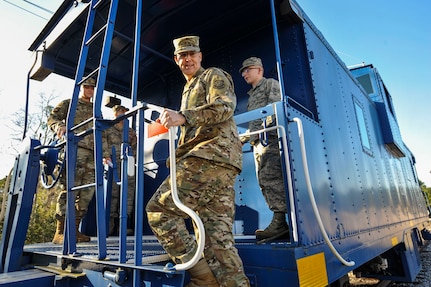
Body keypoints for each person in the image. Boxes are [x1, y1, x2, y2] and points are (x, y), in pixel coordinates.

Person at [146, 36, 250, 287]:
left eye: (192, 53)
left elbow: (224, 108)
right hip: (215, 161)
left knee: (159, 211)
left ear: (200, 56)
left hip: (210, 157)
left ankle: (203, 279)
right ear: (176, 60)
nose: (187, 59)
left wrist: (183, 116)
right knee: (218, 242)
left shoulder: (212, 76)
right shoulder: (188, 88)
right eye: (182, 56)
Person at [48, 78, 109, 244]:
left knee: (87, 193)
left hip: (92, 155)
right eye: (87, 87)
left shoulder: (96, 110)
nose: (89, 90)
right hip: (75, 150)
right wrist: (59, 126)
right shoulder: (69, 103)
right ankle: (60, 232)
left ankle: (74, 229)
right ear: (81, 88)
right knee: (69, 189)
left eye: (92, 88)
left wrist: (105, 153)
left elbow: (101, 133)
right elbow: (52, 118)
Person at [239, 57, 289, 241]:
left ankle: (280, 222)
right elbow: (254, 124)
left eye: (248, 69)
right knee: (265, 181)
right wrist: (244, 138)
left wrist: (262, 131)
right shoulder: (252, 95)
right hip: (259, 143)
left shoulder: (270, 84)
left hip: (271, 141)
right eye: (243, 71)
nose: (244, 73)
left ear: (259, 70)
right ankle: (279, 221)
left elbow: (274, 109)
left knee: (272, 179)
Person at [106, 105, 137, 236]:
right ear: (115, 115)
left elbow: (135, 147)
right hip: (112, 166)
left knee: (128, 196)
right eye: (120, 114)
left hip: (127, 166)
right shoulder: (107, 129)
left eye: (124, 114)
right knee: (112, 196)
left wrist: (132, 159)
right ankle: (110, 227)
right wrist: (105, 157)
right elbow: (103, 145)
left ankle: (122, 227)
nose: (122, 117)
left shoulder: (130, 131)